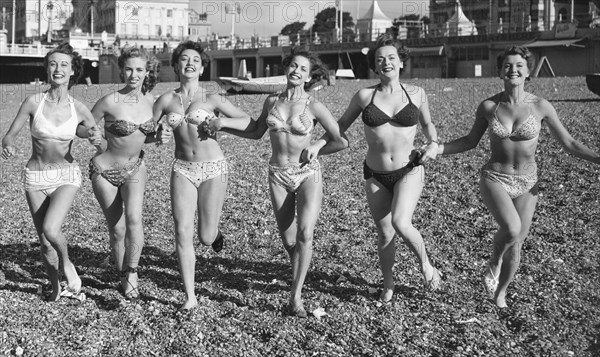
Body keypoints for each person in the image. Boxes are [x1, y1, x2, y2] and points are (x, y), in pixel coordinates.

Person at [438, 45, 600, 308]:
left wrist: (597, 158)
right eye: (508, 65)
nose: (513, 70)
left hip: (528, 183)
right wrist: (438, 149)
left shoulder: (541, 106)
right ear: (500, 71)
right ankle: (493, 261)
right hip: (495, 178)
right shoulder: (489, 106)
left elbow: (569, 143)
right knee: (511, 229)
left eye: (519, 66)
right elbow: (469, 141)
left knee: (516, 244)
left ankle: (500, 292)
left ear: (528, 72)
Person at [209, 47, 348, 317]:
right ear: (287, 68)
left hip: (307, 173)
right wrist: (222, 125)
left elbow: (341, 141)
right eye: (293, 66)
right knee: (289, 241)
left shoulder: (314, 106)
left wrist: (318, 146)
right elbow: (257, 131)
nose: (296, 71)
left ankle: (295, 297)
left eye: (303, 69)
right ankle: (299, 272)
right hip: (277, 174)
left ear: (309, 77)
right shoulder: (271, 101)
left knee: (305, 234)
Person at [326, 34, 442, 303]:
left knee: (401, 222)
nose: (386, 62)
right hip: (375, 173)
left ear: (401, 62)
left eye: (391, 57)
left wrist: (433, 143)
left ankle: (426, 266)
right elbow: (339, 127)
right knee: (385, 232)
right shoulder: (365, 95)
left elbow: (427, 126)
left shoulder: (417, 94)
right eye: (380, 59)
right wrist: (316, 145)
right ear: (375, 67)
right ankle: (388, 284)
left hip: (409, 168)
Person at [152, 41, 251, 310]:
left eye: (195, 59)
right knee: (182, 232)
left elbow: (248, 122)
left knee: (205, 237)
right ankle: (190, 297)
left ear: (202, 66)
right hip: (182, 169)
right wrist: (157, 134)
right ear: (175, 65)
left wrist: (224, 122)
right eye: (184, 59)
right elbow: (147, 132)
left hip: (213, 168)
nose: (190, 63)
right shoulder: (165, 100)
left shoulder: (213, 97)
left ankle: (215, 234)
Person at [1, 43, 102, 301]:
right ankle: (55, 286)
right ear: (47, 69)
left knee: (51, 229)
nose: (58, 69)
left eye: (64, 65)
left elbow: (94, 137)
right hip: (35, 177)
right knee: (45, 243)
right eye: (53, 64)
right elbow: (9, 136)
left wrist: (95, 139)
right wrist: (9, 146)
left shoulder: (78, 108)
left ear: (72, 72)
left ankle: (67, 264)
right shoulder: (34, 102)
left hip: (66, 175)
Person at [90, 46, 164, 300]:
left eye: (140, 70)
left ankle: (131, 272)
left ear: (147, 72)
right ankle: (121, 271)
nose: (134, 74)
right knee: (118, 229)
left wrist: (159, 136)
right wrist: (95, 138)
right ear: (122, 70)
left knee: (134, 219)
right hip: (104, 170)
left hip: (135, 168)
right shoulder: (110, 101)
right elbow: (82, 127)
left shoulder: (151, 102)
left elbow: (146, 137)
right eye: (129, 69)